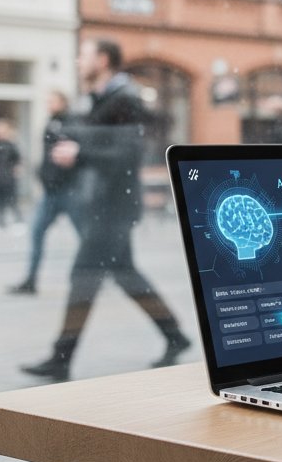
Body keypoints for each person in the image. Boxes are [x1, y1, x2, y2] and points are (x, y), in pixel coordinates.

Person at [21, 39, 191, 382]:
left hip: (113, 208)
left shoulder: (123, 100)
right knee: (126, 274)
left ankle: (61, 357)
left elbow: (128, 155)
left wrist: (79, 153)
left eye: (83, 55)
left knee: (83, 275)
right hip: (104, 205)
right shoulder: (100, 101)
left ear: (102, 60)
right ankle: (175, 335)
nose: (78, 61)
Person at [8, 91, 79, 294]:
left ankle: (100, 276)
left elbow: (73, 156)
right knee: (37, 232)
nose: (48, 104)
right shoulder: (51, 123)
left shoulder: (71, 123)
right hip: (51, 191)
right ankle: (31, 280)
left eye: (51, 100)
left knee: (86, 236)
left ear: (62, 102)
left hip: (69, 191)